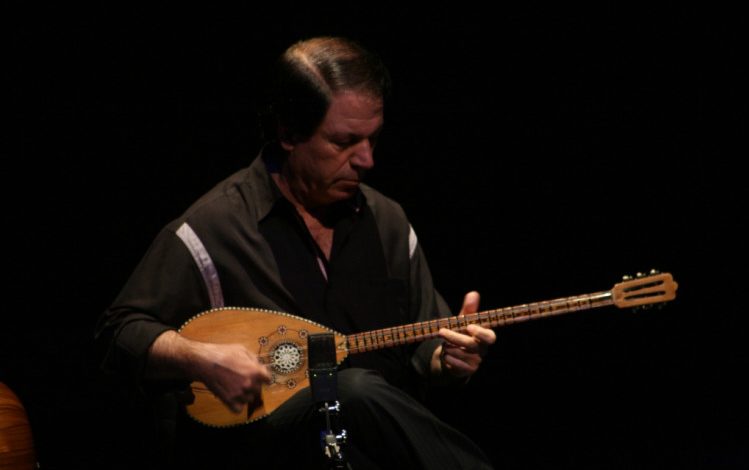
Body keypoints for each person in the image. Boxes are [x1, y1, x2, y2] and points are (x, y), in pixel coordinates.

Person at [95, 36, 496, 470]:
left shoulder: (388, 222)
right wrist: (199, 358)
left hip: (369, 454)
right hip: (264, 450)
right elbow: (118, 333)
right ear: (288, 133)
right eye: (344, 142)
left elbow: (425, 346)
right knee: (345, 388)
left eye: (373, 139)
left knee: (358, 394)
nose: (366, 160)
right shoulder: (215, 229)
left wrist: (447, 359)